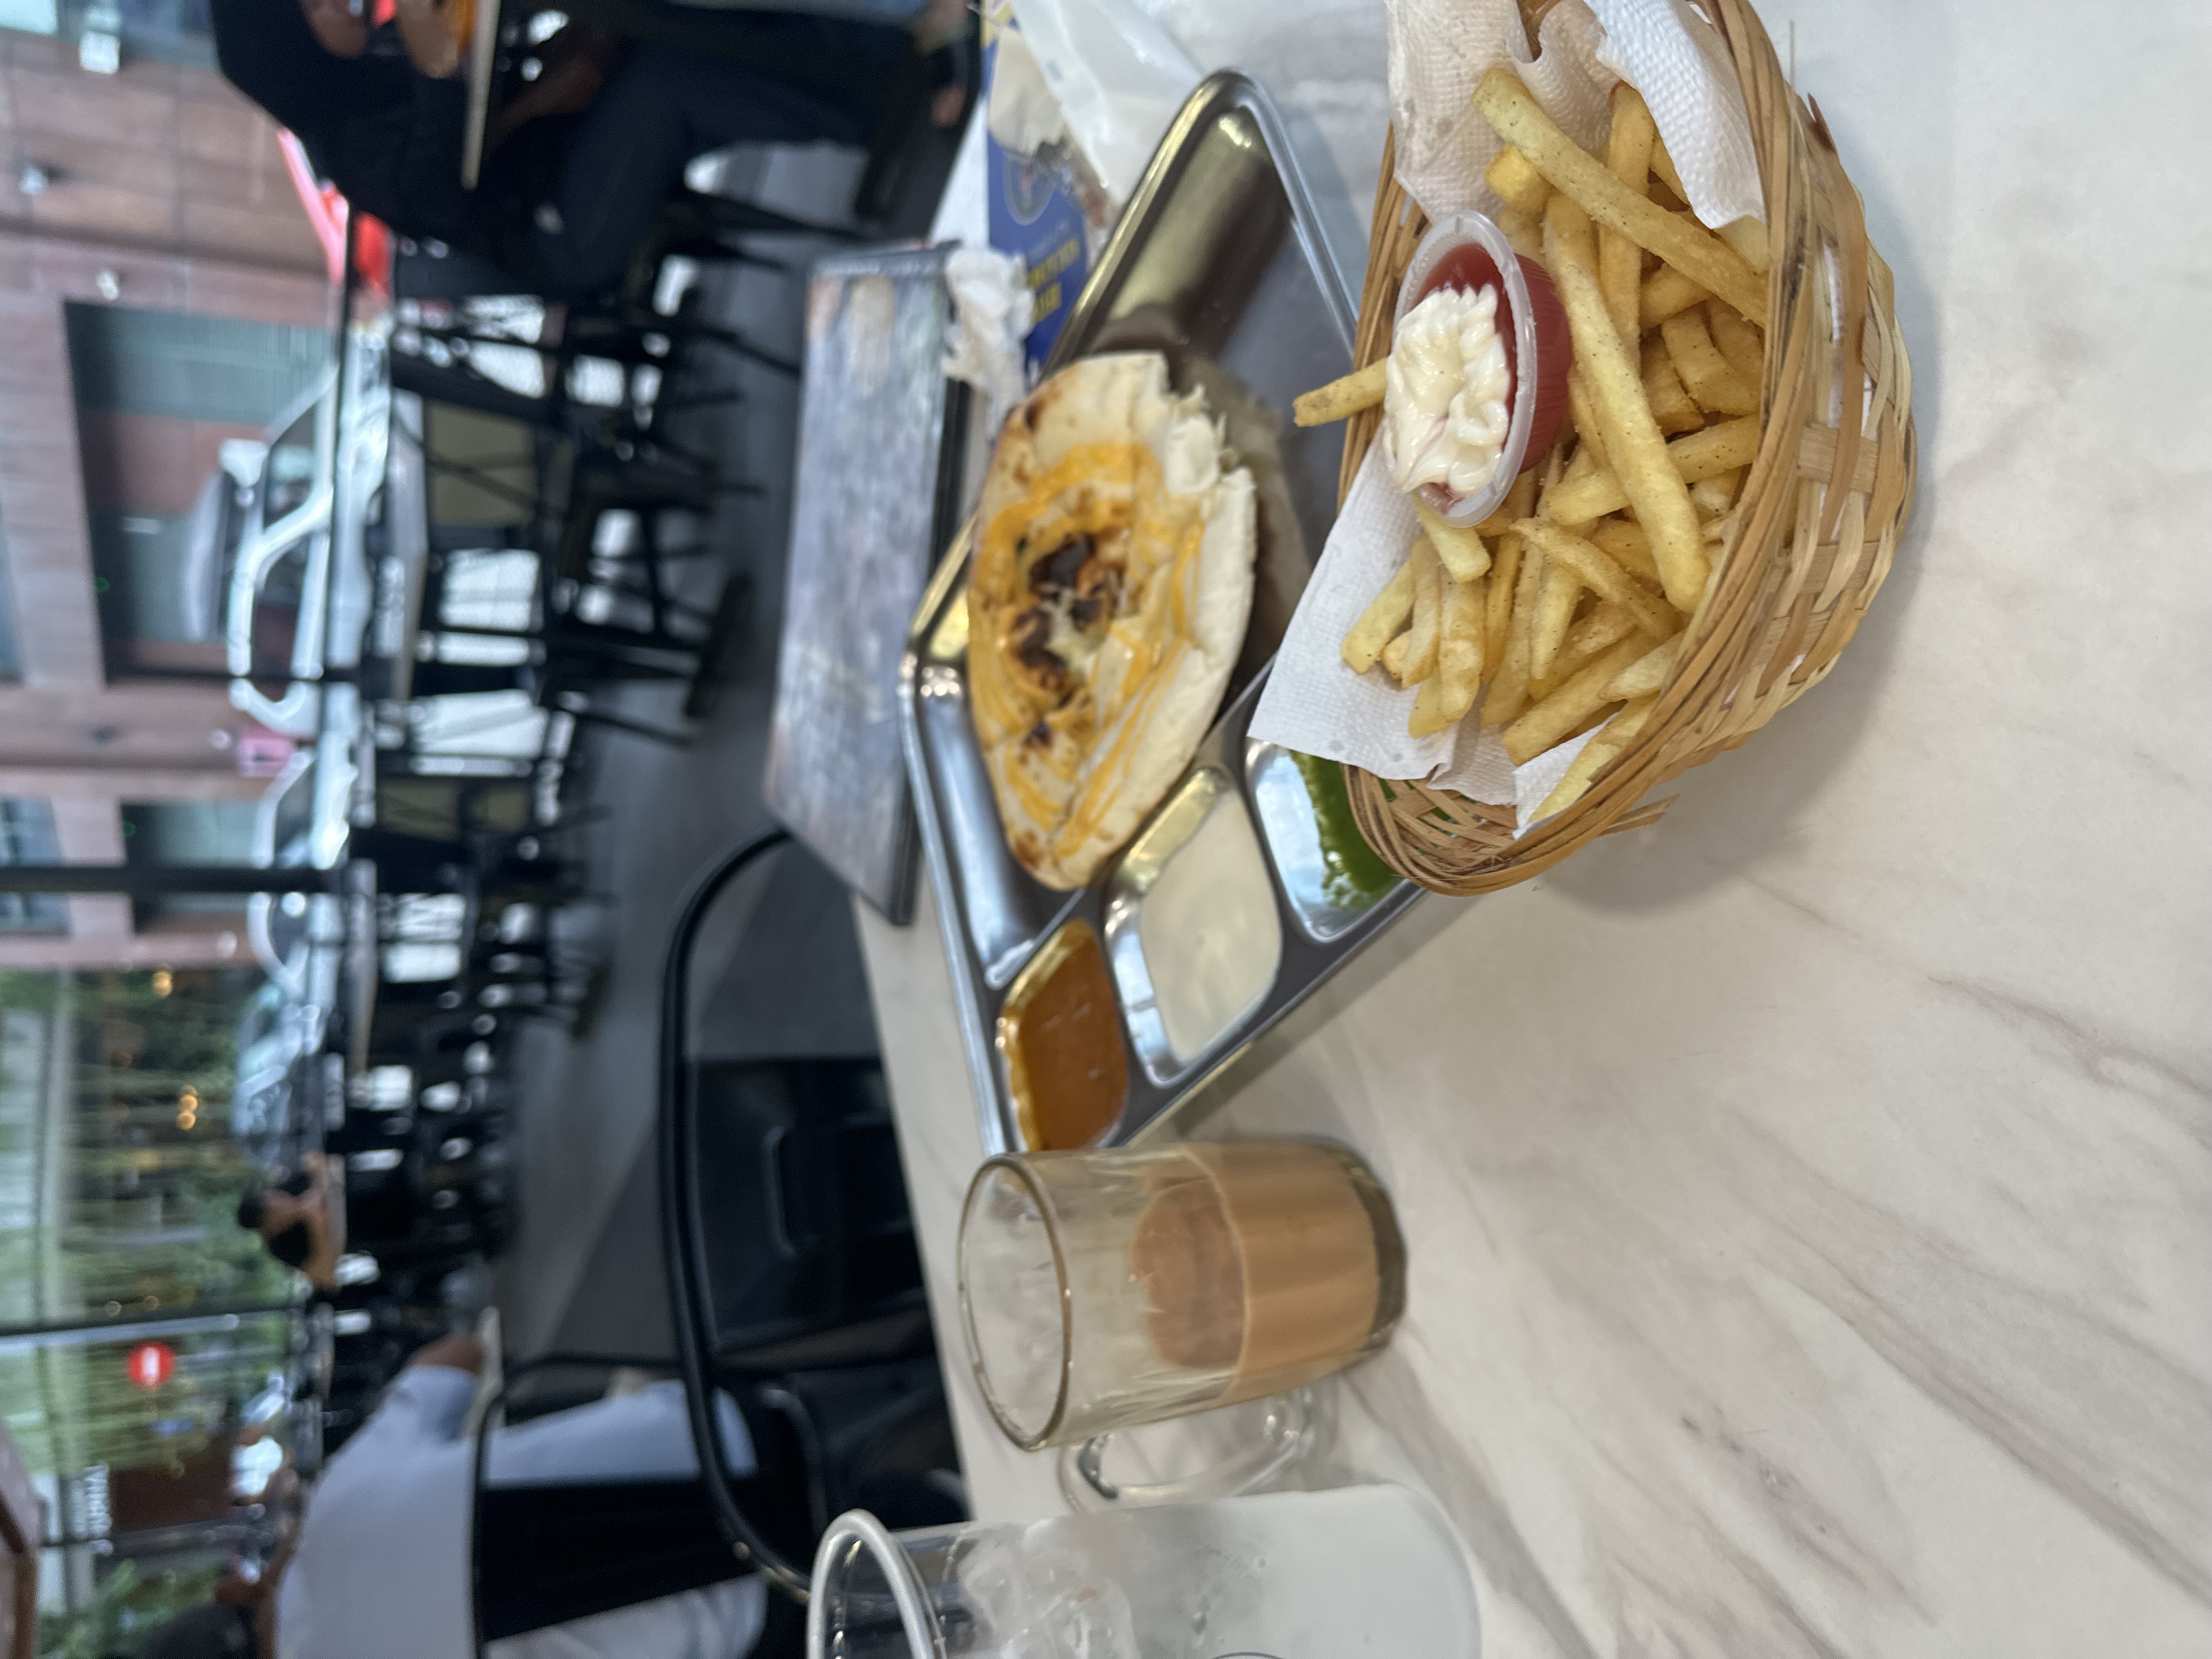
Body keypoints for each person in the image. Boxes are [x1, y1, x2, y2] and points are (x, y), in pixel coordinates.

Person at [210, 0, 969, 299]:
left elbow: (488, 93)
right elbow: (448, 193)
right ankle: (889, 104)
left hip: (565, 146)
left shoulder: (373, 55)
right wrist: (451, 64)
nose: (333, 1)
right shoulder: (348, 149)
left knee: (654, 21)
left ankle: (886, 47)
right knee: (667, 86)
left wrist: (549, 74)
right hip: (565, 236)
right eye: (309, 7)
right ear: (287, 53)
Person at [132, 1333, 770, 1659]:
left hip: (795, 1613)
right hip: (743, 1437)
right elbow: (458, 1354)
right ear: (231, 1590)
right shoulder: (340, 1507)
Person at [235, 1153, 342, 1288]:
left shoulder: (289, 1187)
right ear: (271, 1226)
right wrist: (316, 1225)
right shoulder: (281, 1245)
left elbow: (315, 1159)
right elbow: (324, 1276)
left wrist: (319, 1191)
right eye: (276, 1210)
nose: (282, 1199)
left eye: (275, 1197)